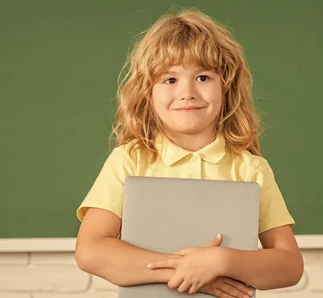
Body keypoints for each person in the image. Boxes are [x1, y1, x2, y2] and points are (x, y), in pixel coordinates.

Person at [75, 8, 304, 298]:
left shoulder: (250, 169)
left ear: (226, 86)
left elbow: (290, 265)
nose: (188, 92)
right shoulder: (128, 160)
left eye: (203, 77)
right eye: (170, 80)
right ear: (148, 92)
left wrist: (221, 261)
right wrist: (187, 272)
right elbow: (91, 250)